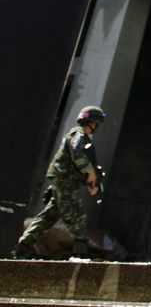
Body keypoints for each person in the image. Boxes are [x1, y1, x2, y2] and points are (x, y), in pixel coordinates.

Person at [12, 106, 106, 259]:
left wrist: (91, 180)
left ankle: (23, 247)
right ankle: (80, 251)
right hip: (65, 181)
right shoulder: (78, 135)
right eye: (96, 123)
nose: (96, 127)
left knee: (48, 217)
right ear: (91, 122)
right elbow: (77, 154)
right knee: (76, 215)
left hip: (66, 181)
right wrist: (89, 171)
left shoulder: (84, 139)